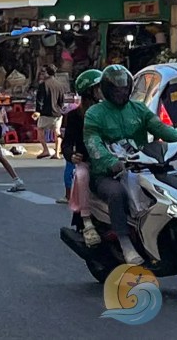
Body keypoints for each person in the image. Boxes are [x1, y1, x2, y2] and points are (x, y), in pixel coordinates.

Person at [84, 65, 177, 266]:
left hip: (142, 166)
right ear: (106, 90)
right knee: (117, 193)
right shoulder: (95, 113)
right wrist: (110, 162)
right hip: (108, 173)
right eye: (116, 89)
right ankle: (125, 241)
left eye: (124, 88)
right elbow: (93, 143)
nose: (121, 92)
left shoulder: (138, 109)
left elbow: (159, 127)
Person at [61, 69, 102, 245]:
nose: (102, 90)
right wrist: (72, 155)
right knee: (82, 176)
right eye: (98, 87)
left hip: (113, 158)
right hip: (88, 160)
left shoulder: (109, 111)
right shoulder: (75, 116)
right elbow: (67, 143)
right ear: (90, 91)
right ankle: (86, 220)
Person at [35, 65, 66, 159]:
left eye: (44, 72)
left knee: (40, 129)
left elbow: (39, 100)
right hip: (57, 113)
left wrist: (38, 111)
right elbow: (62, 101)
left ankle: (45, 150)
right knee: (57, 131)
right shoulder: (60, 85)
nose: (42, 74)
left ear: (47, 73)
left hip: (46, 113)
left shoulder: (43, 85)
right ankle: (57, 152)